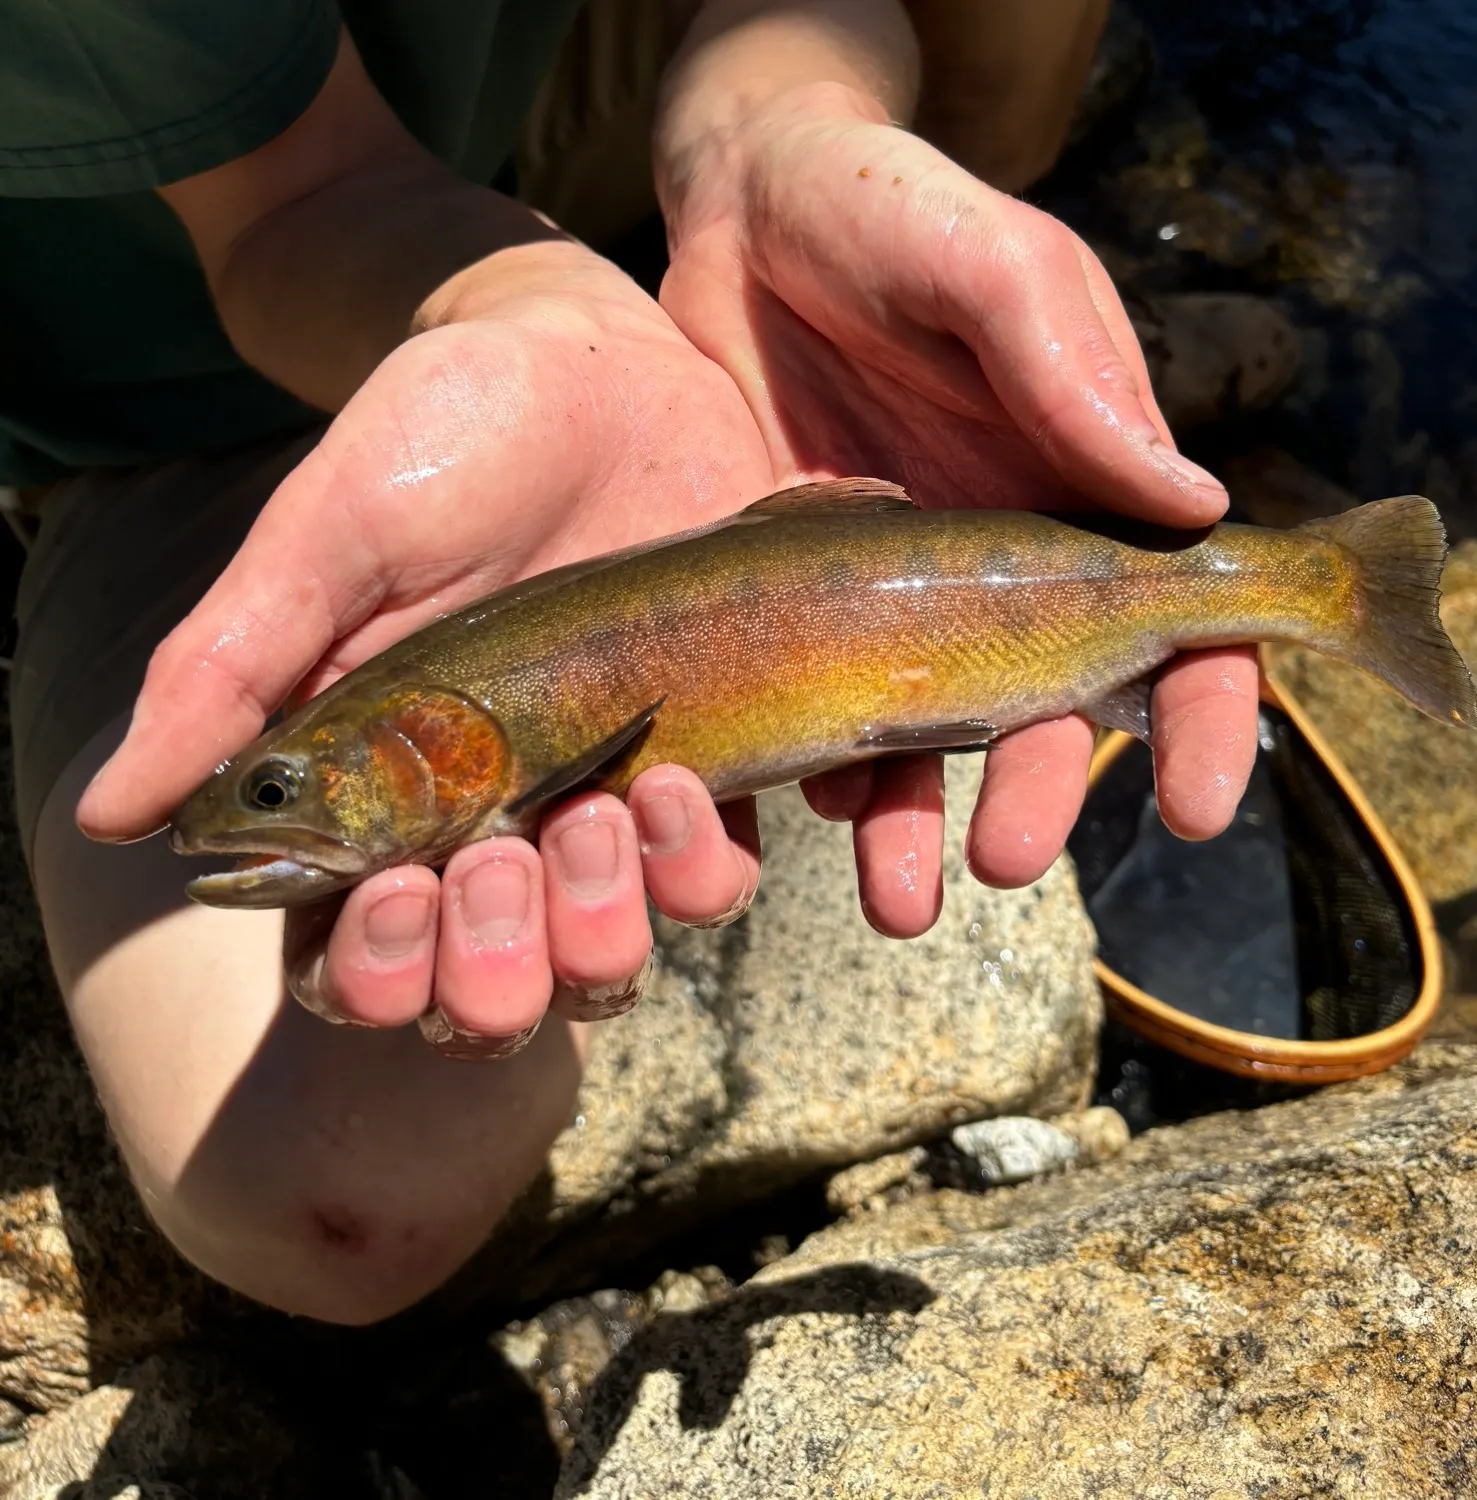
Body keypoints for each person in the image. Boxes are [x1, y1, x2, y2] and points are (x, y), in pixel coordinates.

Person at [3, 0, 1259, 1324]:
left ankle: (937, 334)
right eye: (279, 791)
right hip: (201, 357)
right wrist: (528, 299)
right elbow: (301, 199)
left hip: (570, 87)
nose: (261, 811)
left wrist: (778, 115)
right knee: (331, 1187)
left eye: (278, 791)